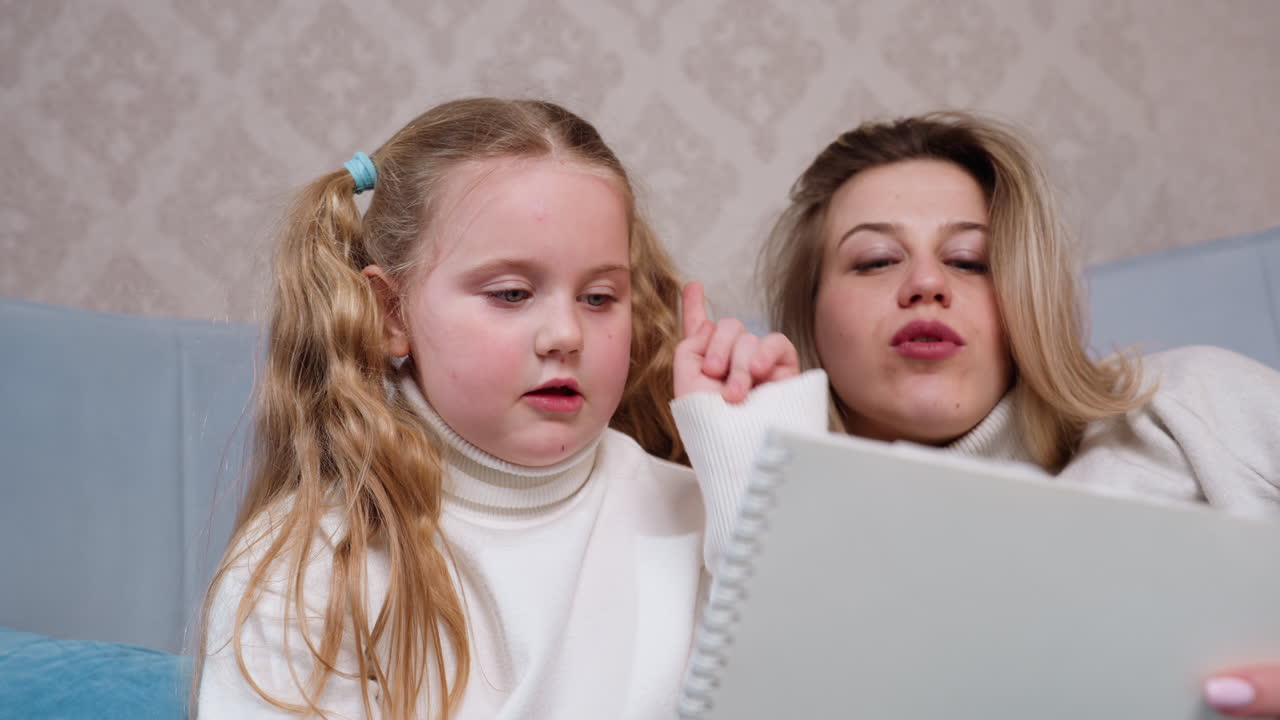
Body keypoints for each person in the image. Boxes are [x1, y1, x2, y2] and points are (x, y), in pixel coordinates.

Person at [670, 111, 1280, 717]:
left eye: (968, 260)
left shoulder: (1194, 404)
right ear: (812, 319)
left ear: (1026, 294)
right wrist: (757, 484)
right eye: (877, 260)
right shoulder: (725, 541)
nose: (925, 282)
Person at [194, 98, 749, 719]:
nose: (565, 334)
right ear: (391, 313)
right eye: (511, 293)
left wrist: (752, 471)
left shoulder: (704, 519)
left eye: (598, 297)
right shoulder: (311, 570)